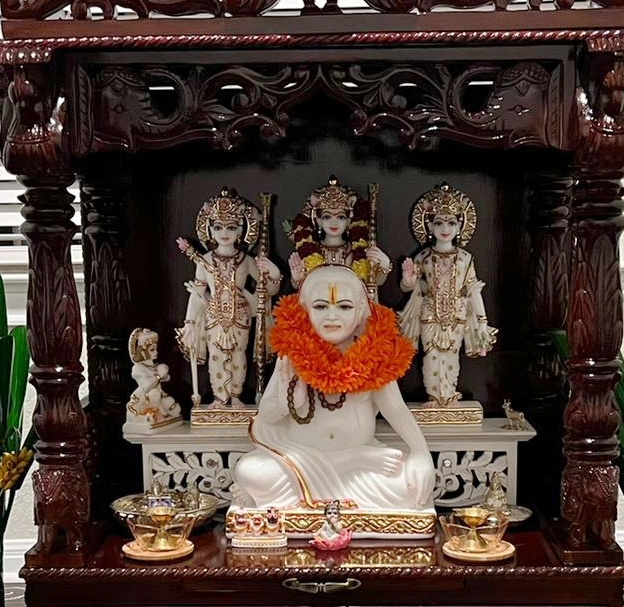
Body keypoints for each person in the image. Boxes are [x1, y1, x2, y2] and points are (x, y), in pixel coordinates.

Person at [234, 265, 434, 510]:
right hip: (302, 461)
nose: (332, 316)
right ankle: (348, 463)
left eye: (344, 306)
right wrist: (289, 403)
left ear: (361, 310)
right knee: (251, 471)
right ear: (304, 309)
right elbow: (266, 416)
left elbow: (396, 410)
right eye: (320, 306)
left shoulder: (375, 355)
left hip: (360, 468)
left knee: (408, 488)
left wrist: (420, 452)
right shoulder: (293, 355)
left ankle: (342, 472)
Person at [176, 188, 281, 407]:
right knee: (216, 356)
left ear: (240, 231)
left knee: (238, 356)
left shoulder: (247, 259)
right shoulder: (203, 260)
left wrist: (275, 274)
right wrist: (189, 324)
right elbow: (197, 294)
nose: (225, 233)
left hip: (240, 314)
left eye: (231, 227)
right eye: (219, 227)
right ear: (211, 231)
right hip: (213, 314)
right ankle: (218, 398)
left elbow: (268, 291)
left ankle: (235, 396)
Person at [399, 183, 497, 406]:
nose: (445, 228)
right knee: (431, 358)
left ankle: (450, 396)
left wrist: (482, 322)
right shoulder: (422, 257)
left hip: (457, 316)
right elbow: (409, 288)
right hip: (430, 314)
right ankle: (434, 398)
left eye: (451, 222)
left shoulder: (465, 259)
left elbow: (473, 291)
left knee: (452, 358)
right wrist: (408, 281)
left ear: (459, 226)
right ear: (430, 226)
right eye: (439, 222)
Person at [287, 176, 391, 289]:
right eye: (327, 217)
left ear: (349, 221)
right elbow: (299, 287)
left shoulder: (359, 250)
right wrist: (297, 279)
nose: (334, 222)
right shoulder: (308, 250)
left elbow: (374, 282)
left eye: (340, 217)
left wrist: (384, 265)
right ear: (318, 221)